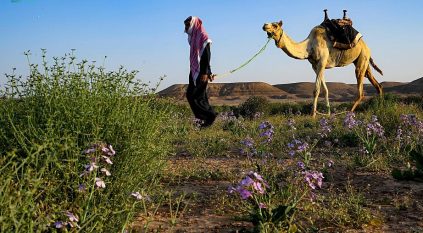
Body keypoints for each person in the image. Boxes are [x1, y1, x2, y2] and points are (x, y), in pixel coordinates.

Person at [184, 16, 217, 128]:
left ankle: (210, 116)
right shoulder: (195, 36)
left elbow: (206, 54)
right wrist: (209, 71)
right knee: (199, 96)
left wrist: (205, 72)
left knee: (193, 95)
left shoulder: (203, 36)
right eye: (186, 25)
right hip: (195, 71)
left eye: (188, 24)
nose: (186, 27)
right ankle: (203, 122)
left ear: (194, 23)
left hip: (200, 72)